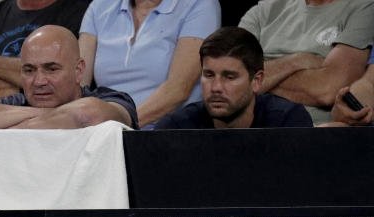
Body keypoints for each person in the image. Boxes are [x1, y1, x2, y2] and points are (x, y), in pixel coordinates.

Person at [0, 24, 137, 129]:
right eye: (29, 70)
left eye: (51, 69)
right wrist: (54, 117)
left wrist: (1, 125)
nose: (39, 81)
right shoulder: (20, 103)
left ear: (78, 70)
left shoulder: (113, 99)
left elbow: (88, 115)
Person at [78, 0, 220, 127]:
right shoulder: (99, 6)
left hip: (167, 132)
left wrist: (121, 123)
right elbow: (76, 79)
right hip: (103, 129)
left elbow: (178, 89)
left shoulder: (200, 4)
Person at [239, 0, 374, 124]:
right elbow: (233, 79)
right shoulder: (262, 11)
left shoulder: (363, 7)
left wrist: (258, 77)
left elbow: (327, 90)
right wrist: (297, 61)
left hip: (312, 132)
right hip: (252, 128)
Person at [156, 27, 313, 128]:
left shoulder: (288, 123)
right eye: (209, 75)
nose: (216, 87)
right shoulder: (175, 129)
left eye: (229, 77)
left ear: (257, 81)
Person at [0, 0, 93, 99]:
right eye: (29, 71)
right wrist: (25, 93)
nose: (37, 80)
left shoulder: (85, 14)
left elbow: (71, 83)